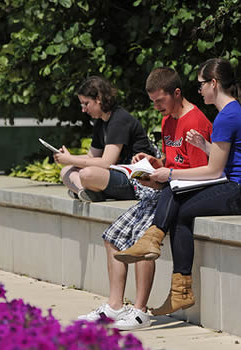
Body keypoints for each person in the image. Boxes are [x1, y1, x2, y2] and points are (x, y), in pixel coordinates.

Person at [115, 58, 241, 317]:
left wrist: (170, 173)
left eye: (201, 85)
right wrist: (204, 146)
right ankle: (178, 287)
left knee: (178, 198)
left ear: (213, 83)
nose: (198, 91)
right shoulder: (230, 112)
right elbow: (227, 159)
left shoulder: (226, 116)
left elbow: (213, 170)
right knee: (180, 204)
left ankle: (161, 253)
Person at [78, 67, 212, 330]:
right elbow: (173, 163)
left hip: (179, 194)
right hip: (163, 189)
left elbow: (199, 174)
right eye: (153, 102)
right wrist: (152, 164)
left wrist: (163, 175)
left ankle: (140, 312)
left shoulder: (194, 121)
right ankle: (115, 307)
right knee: (112, 237)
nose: (156, 107)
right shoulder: (168, 121)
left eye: (160, 101)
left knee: (141, 242)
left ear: (176, 93)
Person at [54, 75, 156, 202]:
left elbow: (107, 163)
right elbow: (91, 157)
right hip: (117, 174)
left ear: (99, 99)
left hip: (135, 179)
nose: (83, 109)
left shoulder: (119, 120)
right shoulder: (101, 122)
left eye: (86, 104)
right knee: (66, 172)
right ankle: (86, 192)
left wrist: (70, 159)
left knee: (87, 174)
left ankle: (86, 192)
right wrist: (67, 158)